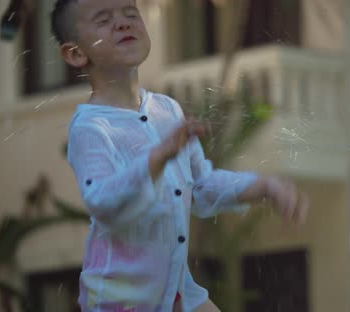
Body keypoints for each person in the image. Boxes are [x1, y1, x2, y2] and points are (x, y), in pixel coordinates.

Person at [52, 0, 310, 311]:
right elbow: (102, 201)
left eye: (130, 13)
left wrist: (264, 186)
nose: (123, 23)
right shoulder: (91, 127)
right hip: (118, 302)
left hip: (177, 292)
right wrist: (158, 156)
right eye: (104, 19)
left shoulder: (167, 109)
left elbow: (201, 186)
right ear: (76, 53)